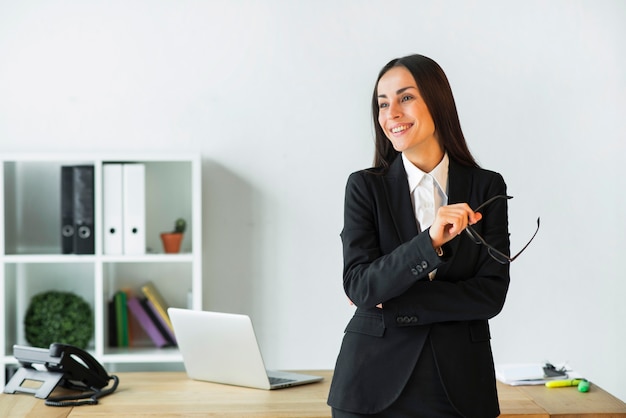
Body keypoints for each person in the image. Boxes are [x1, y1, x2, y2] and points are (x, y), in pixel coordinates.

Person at [327, 54, 511, 418]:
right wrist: (429, 242)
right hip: (369, 385)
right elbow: (360, 285)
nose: (391, 113)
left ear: (437, 101)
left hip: (460, 387)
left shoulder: (486, 186)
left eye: (405, 97)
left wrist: (394, 302)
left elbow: (491, 295)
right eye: (383, 104)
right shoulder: (365, 187)